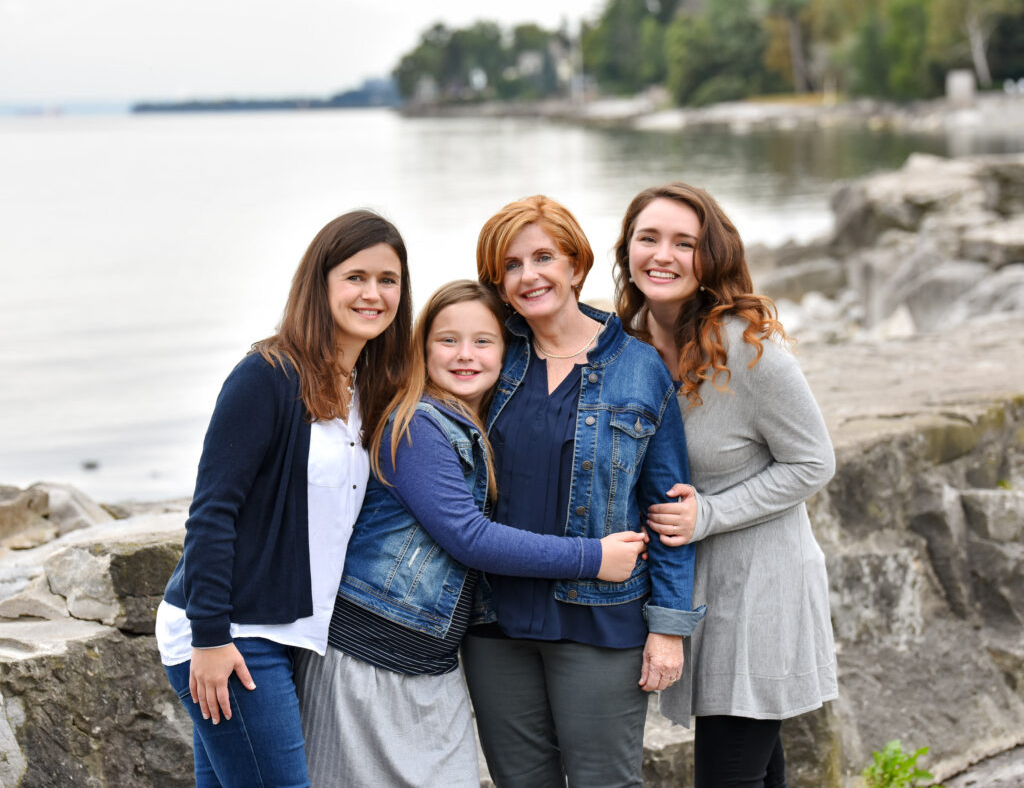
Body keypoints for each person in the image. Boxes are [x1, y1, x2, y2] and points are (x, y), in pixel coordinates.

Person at [295, 279, 649, 787]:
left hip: (428, 658)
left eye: (483, 341)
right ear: (422, 348)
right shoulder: (417, 425)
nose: (465, 355)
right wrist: (591, 558)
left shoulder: (475, 424)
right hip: (370, 653)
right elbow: (470, 537)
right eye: (448, 340)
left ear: (508, 353)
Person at [156, 210, 413, 788]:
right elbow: (211, 513)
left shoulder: (367, 388)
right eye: (355, 277)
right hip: (237, 634)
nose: (373, 293)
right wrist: (212, 638)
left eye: (388, 279)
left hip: (293, 632)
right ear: (320, 284)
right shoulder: (267, 375)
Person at [463, 195, 705, 788]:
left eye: (543, 256)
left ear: (575, 264)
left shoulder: (639, 367)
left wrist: (669, 627)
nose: (529, 276)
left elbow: (669, 505)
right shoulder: (491, 357)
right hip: (495, 623)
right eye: (511, 266)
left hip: (602, 620)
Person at [613, 182, 837, 788]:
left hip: (763, 590)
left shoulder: (746, 345)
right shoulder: (623, 346)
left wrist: (707, 514)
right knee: (757, 773)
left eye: (684, 243)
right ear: (626, 250)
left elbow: (814, 462)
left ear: (711, 257)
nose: (663, 255)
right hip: (697, 590)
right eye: (648, 238)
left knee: (728, 774)